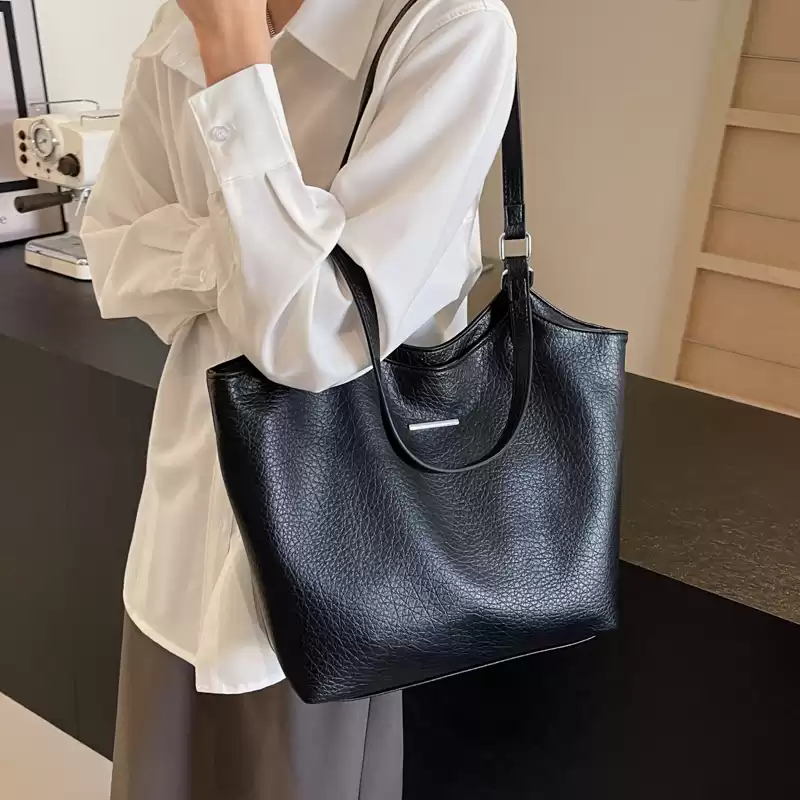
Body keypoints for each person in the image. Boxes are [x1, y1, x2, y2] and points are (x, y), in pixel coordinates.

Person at [81, 0, 517, 797]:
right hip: (177, 543)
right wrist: (247, 258)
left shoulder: (450, 26)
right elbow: (114, 255)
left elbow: (314, 337)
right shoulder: (183, 20)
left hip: (331, 572)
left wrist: (236, 62)